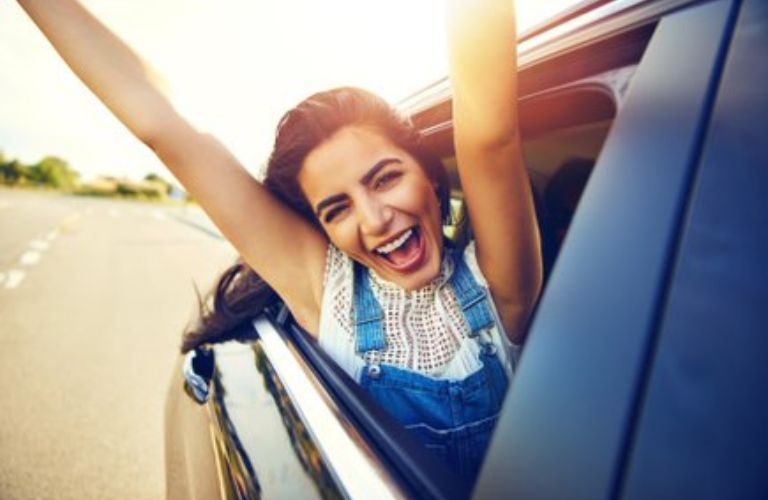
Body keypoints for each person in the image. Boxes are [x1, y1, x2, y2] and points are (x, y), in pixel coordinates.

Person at [17, 0, 543, 482]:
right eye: (337, 209)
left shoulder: (498, 284)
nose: (375, 218)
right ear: (321, 228)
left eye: (385, 178)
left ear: (430, 175)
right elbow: (164, 125)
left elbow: (490, 135)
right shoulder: (327, 290)